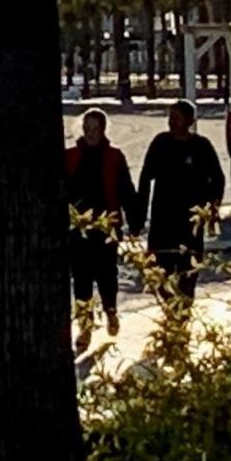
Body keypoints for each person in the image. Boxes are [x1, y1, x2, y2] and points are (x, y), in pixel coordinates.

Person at [134, 99, 224, 310]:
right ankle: (171, 310)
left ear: (190, 120)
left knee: (188, 275)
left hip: (190, 224)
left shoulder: (201, 146)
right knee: (158, 272)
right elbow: (145, 178)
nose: (171, 122)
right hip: (163, 220)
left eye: (176, 117)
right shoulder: (161, 143)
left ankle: (182, 316)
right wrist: (138, 216)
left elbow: (217, 179)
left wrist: (211, 209)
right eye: (170, 118)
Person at [64, 108, 138, 351]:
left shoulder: (115, 158)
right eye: (87, 128)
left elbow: (126, 190)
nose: (90, 133)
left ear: (103, 130)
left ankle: (111, 311)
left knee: (108, 275)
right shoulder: (70, 157)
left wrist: (134, 222)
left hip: (107, 225)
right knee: (81, 279)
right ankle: (85, 326)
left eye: (95, 128)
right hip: (78, 228)